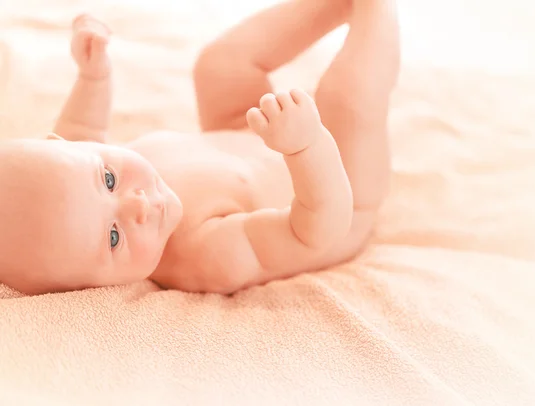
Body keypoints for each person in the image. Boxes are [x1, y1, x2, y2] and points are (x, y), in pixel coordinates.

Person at [0, 0, 400, 295]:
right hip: (338, 188)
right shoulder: (205, 256)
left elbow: (82, 129)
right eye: (114, 238)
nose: (136, 204)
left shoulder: (81, 175)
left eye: (107, 179)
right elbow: (313, 232)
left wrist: (93, 76)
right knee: (347, 98)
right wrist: (307, 147)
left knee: (218, 65)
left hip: (245, 132)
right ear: (90, 287)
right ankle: (377, 9)